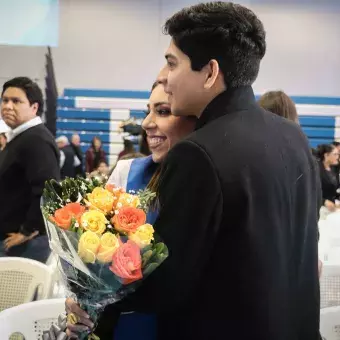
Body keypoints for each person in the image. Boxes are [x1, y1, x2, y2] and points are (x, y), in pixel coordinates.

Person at [67, 2, 321, 340]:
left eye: (173, 64)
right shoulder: (292, 135)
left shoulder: (198, 153)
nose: (167, 79)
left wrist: (97, 292)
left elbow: (166, 284)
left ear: (210, 72)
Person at [66, 80, 196, 339]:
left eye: (163, 111)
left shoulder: (209, 186)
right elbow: (92, 259)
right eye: (148, 110)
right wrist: (79, 301)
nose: (147, 123)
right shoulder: (127, 172)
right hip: (125, 328)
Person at [0, 77, 60, 263]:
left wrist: (28, 230)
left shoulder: (35, 140)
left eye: (16, 101)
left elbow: (48, 189)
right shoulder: (21, 137)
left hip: (22, 247)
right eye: (5, 100)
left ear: (34, 107)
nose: (8, 106)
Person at [317, 144, 339, 212]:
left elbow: (332, 189)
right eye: (335, 154)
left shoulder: (333, 168)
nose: (337, 157)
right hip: (319, 208)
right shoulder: (316, 169)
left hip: (331, 208)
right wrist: (324, 201)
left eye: (338, 154)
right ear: (326, 155)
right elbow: (311, 191)